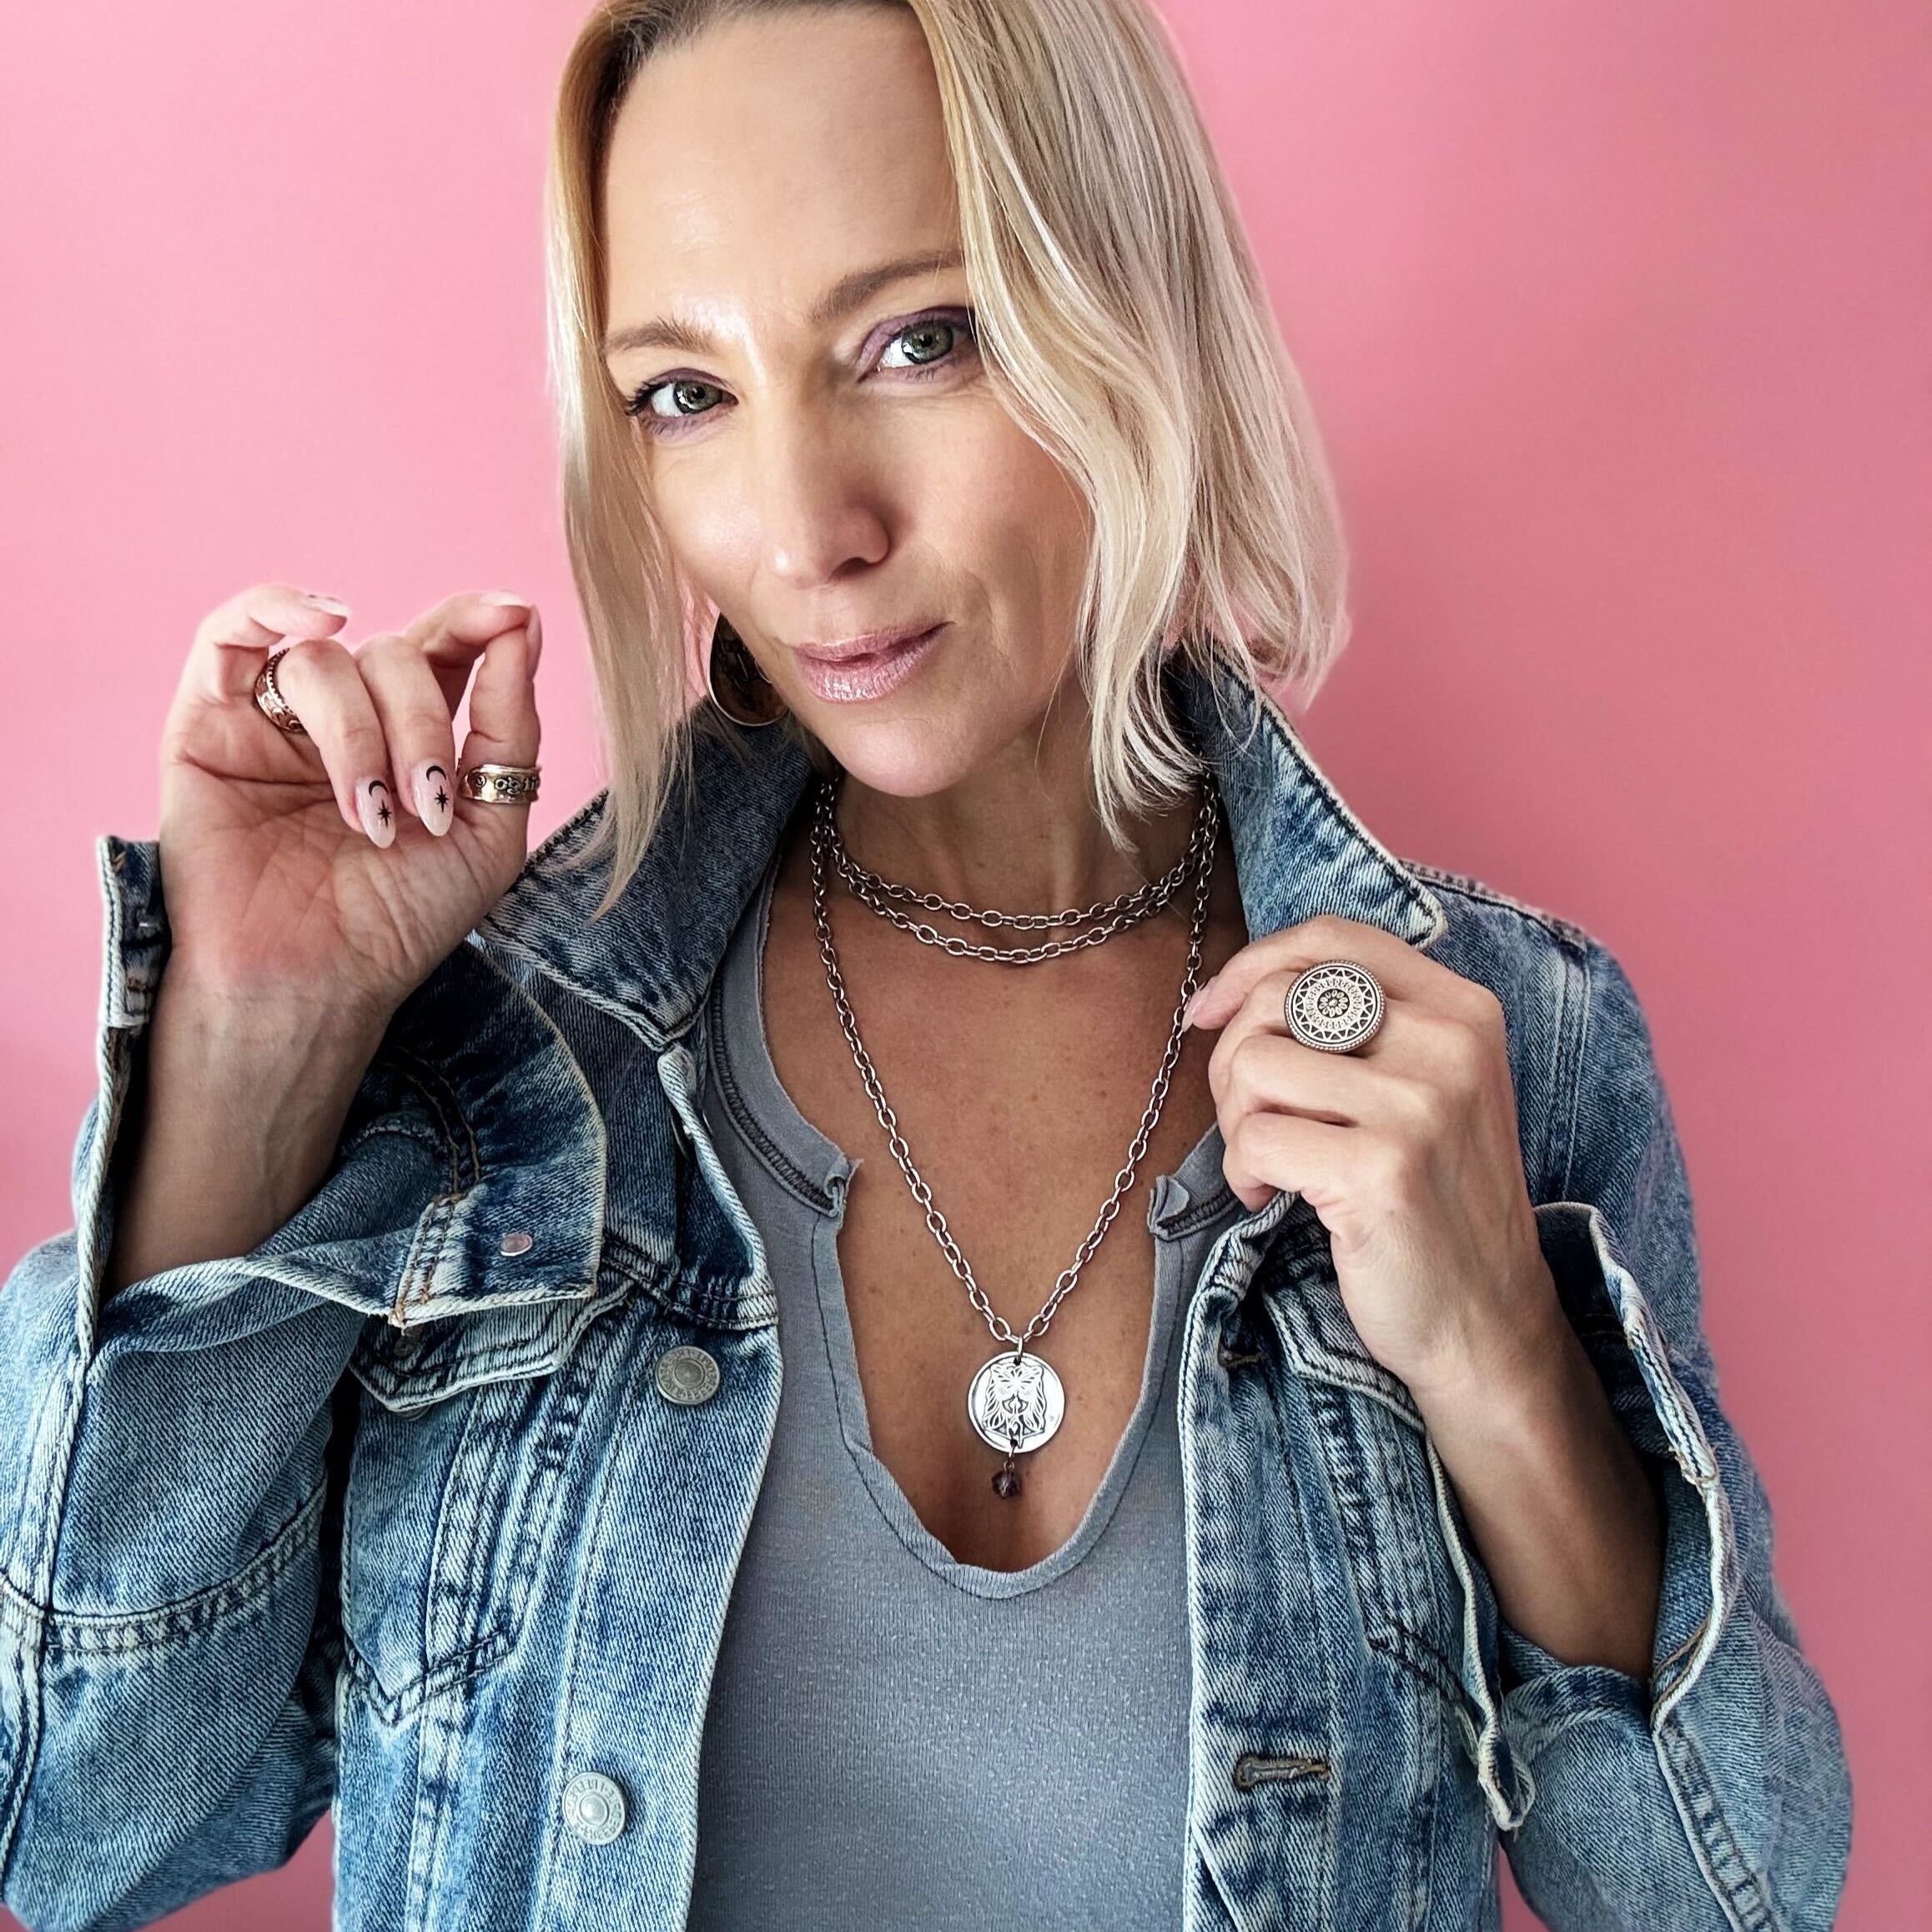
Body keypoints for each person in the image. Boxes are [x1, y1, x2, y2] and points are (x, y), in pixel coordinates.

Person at [0, 1, 1849, 1927]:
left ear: (1126, 313)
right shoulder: (496, 1083)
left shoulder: (1496, 1050)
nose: (809, 531)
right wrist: (252, 1042)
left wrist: (1497, 1357)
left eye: (920, 340)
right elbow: (69, 1824)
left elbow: (1726, 1904)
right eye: (685, 394)